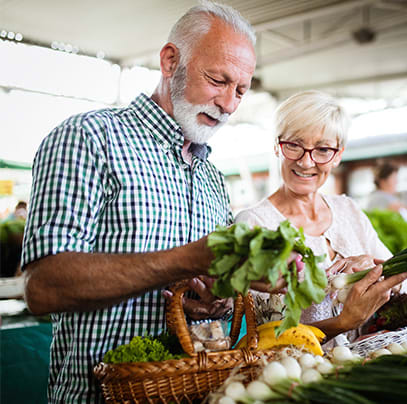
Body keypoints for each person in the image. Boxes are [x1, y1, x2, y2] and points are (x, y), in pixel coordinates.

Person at [21, 3, 259, 402]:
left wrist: (212, 303)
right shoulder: (90, 139)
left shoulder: (214, 179)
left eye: (241, 90)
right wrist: (188, 258)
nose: (229, 104)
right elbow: (43, 287)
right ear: (170, 61)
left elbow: (207, 305)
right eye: (218, 80)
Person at [234, 90, 407, 346]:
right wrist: (343, 323)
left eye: (322, 149)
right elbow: (266, 336)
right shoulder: (254, 224)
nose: (306, 162)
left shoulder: (348, 211)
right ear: (277, 146)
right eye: (294, 145)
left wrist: (375, 272)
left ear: (338, 155)